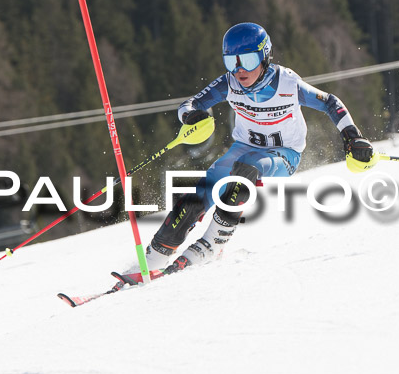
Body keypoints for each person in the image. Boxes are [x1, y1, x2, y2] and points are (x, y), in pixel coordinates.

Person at [139, 22, 375, 277]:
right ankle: (154, 256)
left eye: (248, 60)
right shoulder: (229, 83)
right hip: (243, 148)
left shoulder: (287, 83)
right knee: (201, 192)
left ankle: (212, 244)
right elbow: (189, 103)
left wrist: (352, 137)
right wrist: (191, 116)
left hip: (284, 155)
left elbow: (330, 102)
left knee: (247, 168)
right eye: (232, 62)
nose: (240, 70)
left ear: (264, 56)